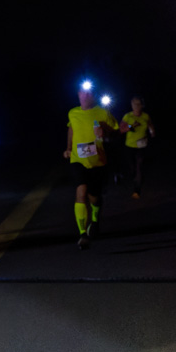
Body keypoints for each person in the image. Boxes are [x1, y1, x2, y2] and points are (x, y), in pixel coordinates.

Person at [63, 81, 119, 250]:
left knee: (94, 197)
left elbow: (116, 132)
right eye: (82, 93)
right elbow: (71, 129)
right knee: (81, 191)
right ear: (78, 95)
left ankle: (95, 220)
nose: (85, 96)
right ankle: (82, 234)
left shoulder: (103, 113)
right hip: (77, 159)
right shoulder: (73, 113)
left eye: (89, 93)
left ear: (94, 96)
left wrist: (106, 132)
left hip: (97, 161)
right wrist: (68, 148)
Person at [119, 95, 155, 199]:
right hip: (130, 146)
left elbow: (150, 125)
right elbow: (121, 129)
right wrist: (131, 126)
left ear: (142, 105)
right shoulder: (128, 116)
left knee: (139, 166)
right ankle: (135, 177)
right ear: (131, 105)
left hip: (142, 146)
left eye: (138, 104)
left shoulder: (145, 116)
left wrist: (152, 131)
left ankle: (137, 190)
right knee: (133, 169)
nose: (136, 106)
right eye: (134, 104)